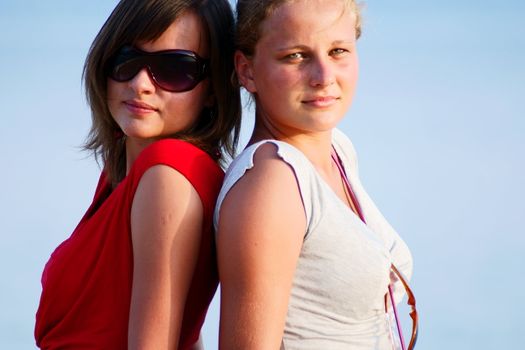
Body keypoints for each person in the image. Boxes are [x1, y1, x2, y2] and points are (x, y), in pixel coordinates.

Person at [35, 0, 240, 348]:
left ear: (213, 89)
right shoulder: (128, 174)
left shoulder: (167, 172)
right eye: (127, 59)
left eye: (176, 68)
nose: (141, 83)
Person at [214, 0, 415, 349]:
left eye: (338, 51)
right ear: (246, 70)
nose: (324, 77)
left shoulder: (338, 150)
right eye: (296, 56)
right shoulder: (272, 183)